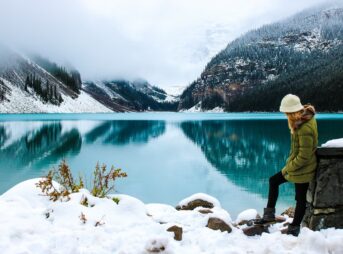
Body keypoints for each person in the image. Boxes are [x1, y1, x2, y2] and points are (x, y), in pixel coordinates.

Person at [256, 94, 318, 236]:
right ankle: (269, 216)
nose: (285, 116)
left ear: (293, 112)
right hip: (299, 167)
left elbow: (304, 156)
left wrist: (288, 167)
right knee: (274, 181)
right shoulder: (302, 121)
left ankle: (294, 228)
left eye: (287, 113)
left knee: (300, 198)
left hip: (303, 168)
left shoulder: (304, 128)